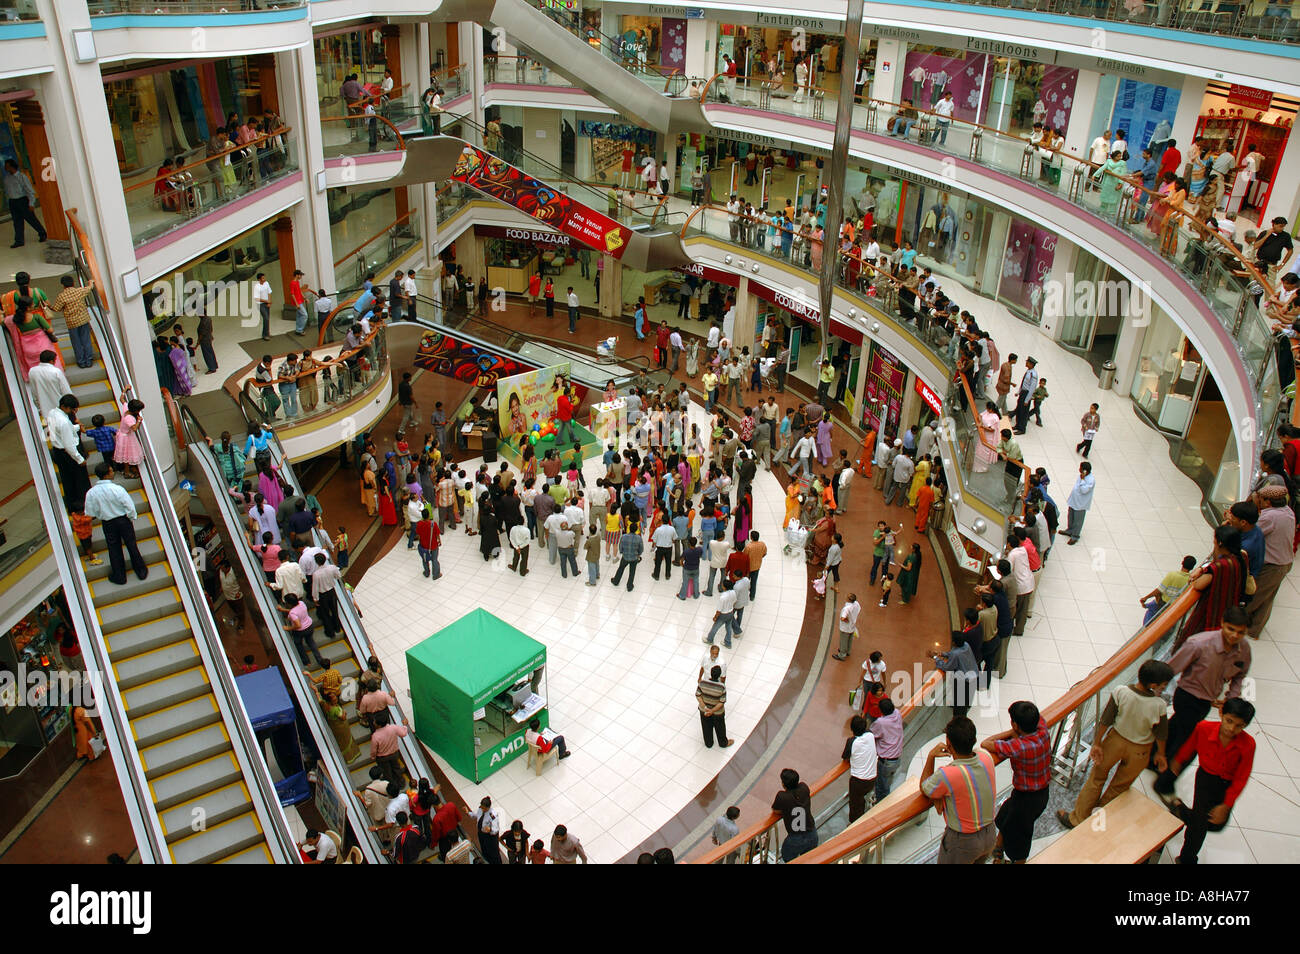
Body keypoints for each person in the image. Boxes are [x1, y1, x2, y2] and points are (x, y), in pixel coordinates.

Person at [1057, 659, 1173, 829]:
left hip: (1115, 740)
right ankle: (1099, 821)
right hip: (1140, 750)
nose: (1164, 688)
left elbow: (1106, 719)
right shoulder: (1159, 706)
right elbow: (1161, 734)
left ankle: (1077, 819)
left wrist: (1097, 743)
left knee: (1096, 778)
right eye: (1163, 685)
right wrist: (1161, 754)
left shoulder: (1121, 692)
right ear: (1154, 684)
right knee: (1118, 788)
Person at [1155, 606, 1253, 792]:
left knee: (1176, 728)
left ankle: (1154, 759)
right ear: (1222, 623)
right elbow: (1171, 668)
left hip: (1207, 700)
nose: (1234, 635)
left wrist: (1231, 699)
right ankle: (1165, 782)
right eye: (1231, 629)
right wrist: (1154, 695)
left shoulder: (1244, 650)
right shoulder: (1199, 644)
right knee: (1190, 740)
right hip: (1187, 696)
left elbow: (1241, 674)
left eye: (1240, 632)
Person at [1167, 698, 1256, 865]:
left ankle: (1179, 809)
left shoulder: (1248, 744)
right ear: (1221, 713)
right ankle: (1187, 859)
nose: (1231, 728)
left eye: (1239, 725)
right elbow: (1190, 745)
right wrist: (1178, 760)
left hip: (1227, 786)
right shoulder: (1204, 728)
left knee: (1216, 824)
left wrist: (1226, 804)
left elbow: (1241, 777)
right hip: (1205, 779)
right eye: (1229, 721)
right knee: (1199, 826)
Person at [920, 716, 998, 864]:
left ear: (949, 744)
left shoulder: (948, 774)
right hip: (989, 834)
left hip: (963, 842)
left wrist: (931, 756)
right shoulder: (985, 757)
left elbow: (925, 786)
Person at [981, 701, 1050, 863]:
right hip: (1039, 793)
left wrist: (1013, 732)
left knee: (1020, 841)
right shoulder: (1043, 729)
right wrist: (1016, 731)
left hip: (1026, 800)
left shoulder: (1018, 746)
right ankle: (998, 849)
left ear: (1016, 725)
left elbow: (986, 744)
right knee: (1006, 816)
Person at [84, 463, 148, 585]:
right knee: (131, 545)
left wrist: (101, 514)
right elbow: (129, 506)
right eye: (111, 471)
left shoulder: (91, 493)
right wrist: (131, 517)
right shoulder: (117, 489)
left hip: (108, 523)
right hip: (123, 521)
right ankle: (141, 570)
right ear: (107, 475)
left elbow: (90, 512)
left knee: (114, 548)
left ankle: (119, 576)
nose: (113, 472)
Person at [772, 768, 818, 861]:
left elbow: (776, 810)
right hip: (812, 833)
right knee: (808, 859)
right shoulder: (804, 788)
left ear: (783, 784)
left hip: (795, 838)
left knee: (788, 858)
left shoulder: (782, 796)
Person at [1139, 555, 1196, 626]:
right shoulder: (1190, 580)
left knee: (1151, 611)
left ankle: (1145, 628)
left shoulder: (1172, 575)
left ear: (1182, 563)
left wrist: (1146, 597)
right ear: (1192, 567)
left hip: (1163, 603)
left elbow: (1159, 590)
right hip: (1175, 606)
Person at [842, 715, 879, 823]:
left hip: (858, 781)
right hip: (872, 777)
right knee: (862, 796)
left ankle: (855, 825)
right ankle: (870, 800)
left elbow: (845, 757)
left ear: (852, 729)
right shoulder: (870, 735)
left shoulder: (852, 742)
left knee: (855, 806)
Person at [2, 159, 46, 247]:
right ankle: (19, 241)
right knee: (17, 222)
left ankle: (42, 234)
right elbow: (7, 191)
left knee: (31, 219)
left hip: (22, 201)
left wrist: (31, 203)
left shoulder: (22, 176)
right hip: (13, 202)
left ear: (11, 166)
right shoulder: (7, 178)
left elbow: (30, 190)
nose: (5, 167)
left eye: (7, 166)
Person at [696, 664, 732, 748]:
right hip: (718, 713)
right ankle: (723, 743)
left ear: (711, 673)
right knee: (720, 728)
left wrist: (705, 708)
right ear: (719, 675)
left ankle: (708, 743)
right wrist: (712, 711)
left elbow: (698, 695)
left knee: (706, 727)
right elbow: (721, 702)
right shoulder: (721, 687)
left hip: (704, 711)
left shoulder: (702, 683)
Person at [1062, 461, 1094, 545]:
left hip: (1080, 504)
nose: (1079, 469)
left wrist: (1083, 479)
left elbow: (1084, 490)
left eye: (1080, 468)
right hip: (1074, 500)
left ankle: (1075, 536)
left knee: (1078, 520)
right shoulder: (1081, 476)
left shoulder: (1090, 480)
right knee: (1071, 516)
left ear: (1085, 471)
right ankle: (1070, 530)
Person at [471, 796, 502, 864]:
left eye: (484, 808)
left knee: (494, 853)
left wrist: (490, 829)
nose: (482, 809)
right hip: (481, 834)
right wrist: (469, 813)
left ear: (488, 807)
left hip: (490, 837)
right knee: (484, 849)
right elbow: (476, 815)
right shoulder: (480, 809)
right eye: (482, 807)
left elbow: (496, 829)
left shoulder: (493, 815)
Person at [831, 592, 860, 661]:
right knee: (850, 639)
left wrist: (846, 620)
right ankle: (848, 651)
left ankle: (842, 655)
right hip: (852, 625)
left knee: (843, 640)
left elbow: (843, 618)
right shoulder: (856, 604)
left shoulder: (847, 608)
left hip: (845, 627)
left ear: (848, 599)